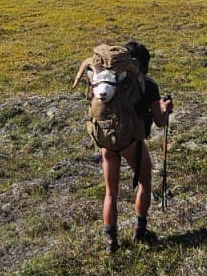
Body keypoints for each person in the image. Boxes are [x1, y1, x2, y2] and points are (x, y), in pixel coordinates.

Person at [74, 41, 173, 252]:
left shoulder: (111, 82)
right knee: (144, 183)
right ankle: (140, 230)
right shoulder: (148, 86)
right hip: (131, 142)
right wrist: (165, 108)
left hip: (107, 143)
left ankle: (111, 242)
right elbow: (160, 121)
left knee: (111, 192)